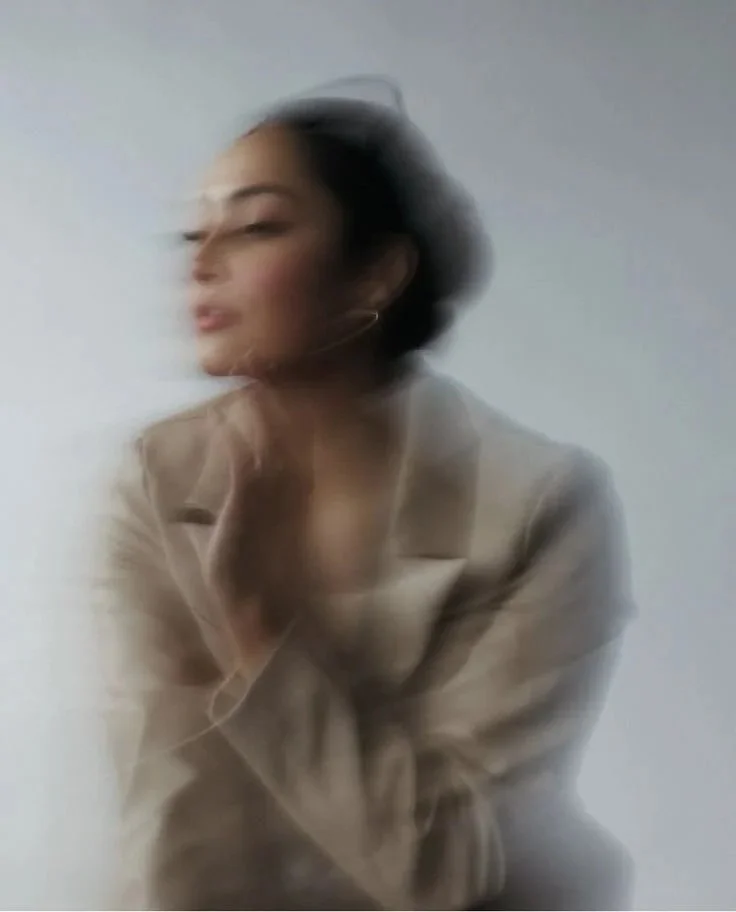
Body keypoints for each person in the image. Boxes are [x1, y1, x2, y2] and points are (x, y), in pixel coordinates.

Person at [95, 87, 635, 910]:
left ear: (375, 273)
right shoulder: (157, 479)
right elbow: (166, 827)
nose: (201, 259)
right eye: (192, 231)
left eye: (257, 225)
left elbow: (453, 873)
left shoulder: (540, 505)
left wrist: (258, 625)